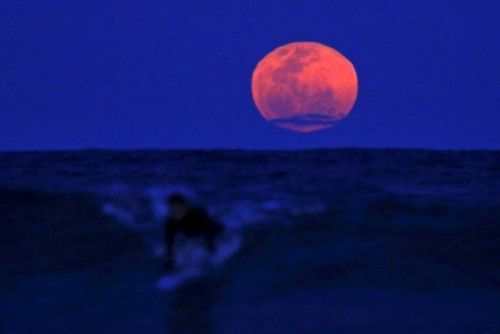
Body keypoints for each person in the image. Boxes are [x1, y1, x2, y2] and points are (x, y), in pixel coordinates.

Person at [163, 193, 223, 271]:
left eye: (177, 208)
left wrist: (211, 253)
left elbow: (209, 231)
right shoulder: (171, 223)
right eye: (172, 209)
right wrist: (170, 259)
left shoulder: (197, 214)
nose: (174, 212)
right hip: (195, 235)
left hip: (213, 230)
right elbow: (169, 242)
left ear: (184, 207)